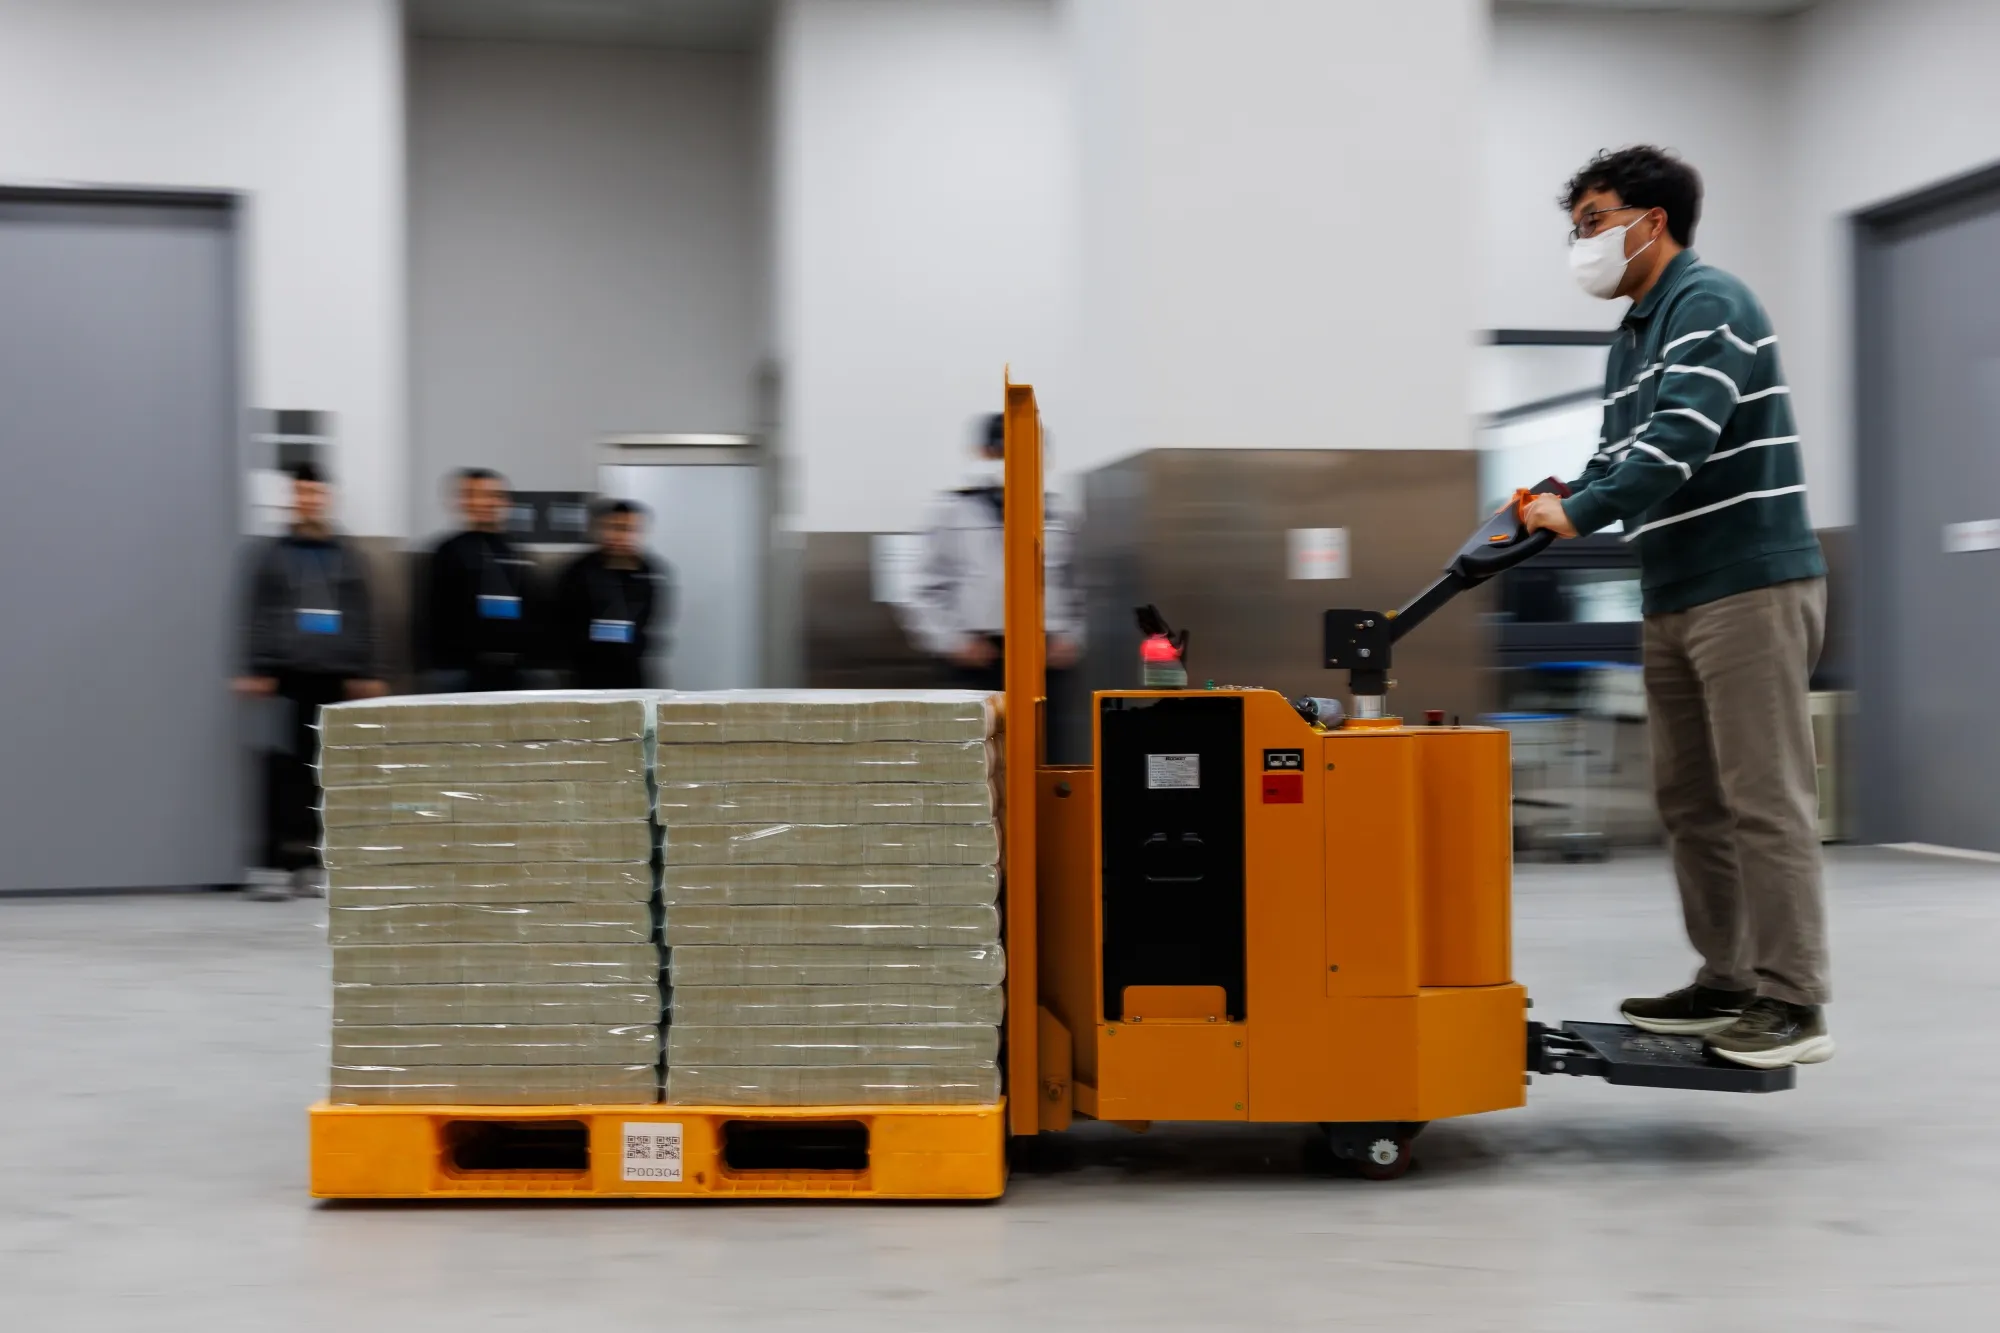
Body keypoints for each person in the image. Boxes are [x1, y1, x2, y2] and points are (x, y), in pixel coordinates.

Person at [1522, 145, 1831, 1069]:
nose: (1580, 242)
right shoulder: (1633, 333)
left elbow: (1679, 442)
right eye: (1574, 226)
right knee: (1692, 800)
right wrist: (1552, 500)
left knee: (1764, 797)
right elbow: (1624, 457)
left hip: (1749, 583)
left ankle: (1794, 999)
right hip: (1675, 589)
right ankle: (1727, 978)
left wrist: (1575, 511)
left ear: (1650, 222)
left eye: (1593, 222)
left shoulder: (1711, 304)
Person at [234, 463, 388, 898]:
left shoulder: (347, 556)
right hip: (287, 677)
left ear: (326, 498)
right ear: (291, 499)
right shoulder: (272, 554)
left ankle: (314, 864)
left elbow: (361, 616)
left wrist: (367, 670)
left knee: (326, 773)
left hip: (334, 679)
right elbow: (259, 615)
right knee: (283, 773)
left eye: (315, 493)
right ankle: (278, 864)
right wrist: (258, 665)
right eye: (300, 493)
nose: (308, 501)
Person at [905, 412, 1084, 697]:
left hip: (1045, 657)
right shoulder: (952, 511)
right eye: (1000, 451)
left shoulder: (1058, 512)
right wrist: (954, 641)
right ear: (983, 453)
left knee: (1045, 741)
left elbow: (1076, 584)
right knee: (982, 740)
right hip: (978, 657)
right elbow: (924, 588)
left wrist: (1071, 636)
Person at [417, 467, 541, 692]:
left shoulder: (516, 551)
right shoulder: (447, 552)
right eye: (478, 495)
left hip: (513, 673)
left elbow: (533, 612)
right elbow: (432, 616)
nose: (487, 503)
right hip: (458, 672)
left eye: (495, 496)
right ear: (464, 501)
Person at [552, 499, 671, 689]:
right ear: (601, 529)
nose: (622, 536)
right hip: (586, 672)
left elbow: (652, 618)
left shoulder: (650, 572)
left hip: (632, 671)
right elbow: (562, 622)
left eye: (630, 529)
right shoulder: (578, 571)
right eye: (616, 527)